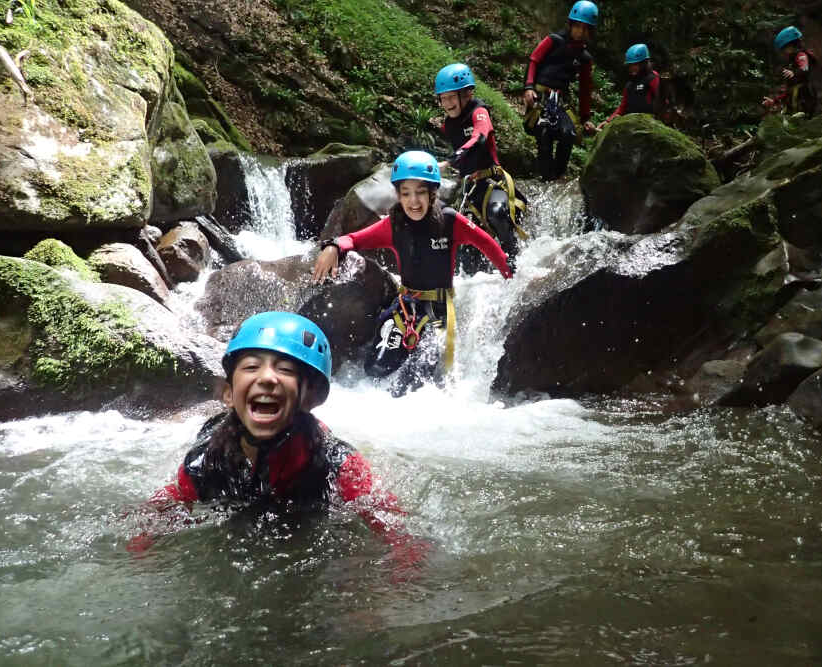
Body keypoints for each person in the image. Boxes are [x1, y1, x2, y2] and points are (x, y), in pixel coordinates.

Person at [128, 311, 422, 566]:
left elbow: (399, 533)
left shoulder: (336, 463)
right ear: (229, 394)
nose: (268, 378)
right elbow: (154, 516)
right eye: (251, 367)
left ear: (311, 397)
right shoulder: (205, 462)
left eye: (285, 369)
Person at [312, 150, 512, 396]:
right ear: (397, 195)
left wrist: (508, 273)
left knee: (416, 382)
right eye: (406, 193)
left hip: (439, 310)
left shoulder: (449, 221)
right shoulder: (393, 224)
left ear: (432, 193)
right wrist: (333, 246)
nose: (413, 201)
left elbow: (487, 244)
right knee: (376, 368)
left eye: (420, 192)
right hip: (406, 308)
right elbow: (354, 239)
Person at [434, 62, 528, 265]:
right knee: (462, 243)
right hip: (472, 188)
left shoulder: (479, 111)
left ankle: (514, 263)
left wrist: (452, 159)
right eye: (443, 98)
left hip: (493, 181)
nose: (447, 103)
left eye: (451, 97)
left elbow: (480, 135)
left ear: (466, 94)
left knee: (497, 213)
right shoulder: (448, 125)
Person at [523, 0, 599, 181]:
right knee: (544, 131)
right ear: (571, 24)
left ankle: (557, 177)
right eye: (577, 26)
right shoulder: (554, 40)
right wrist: (528, 87)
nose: (580, 32)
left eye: (585, 28)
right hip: (541, 95)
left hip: (559, 101)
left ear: (590, 31)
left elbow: (585, 89)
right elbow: (534, 60)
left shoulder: (584, 58)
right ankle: (545, 177)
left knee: (569, 133)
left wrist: (586, 117)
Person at [598, 44, 667, 129]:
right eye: (630, 65)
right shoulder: (629, 85)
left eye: (635, 64)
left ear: (644, 63)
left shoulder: (653, 78)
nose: (632, 68)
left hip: (650, 124)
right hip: (632, 125)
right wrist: (608, 121)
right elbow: (622, 106)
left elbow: (662, 102)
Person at [762, 26, 818, 117]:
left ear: (792, 45)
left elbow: (804, 68)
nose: (784, 52)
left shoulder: (801, 55)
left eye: (785, 48)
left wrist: (794, 73)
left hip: (804, 105)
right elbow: (789, 91)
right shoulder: (793, 62)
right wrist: (774, 101)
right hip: (794, 105)